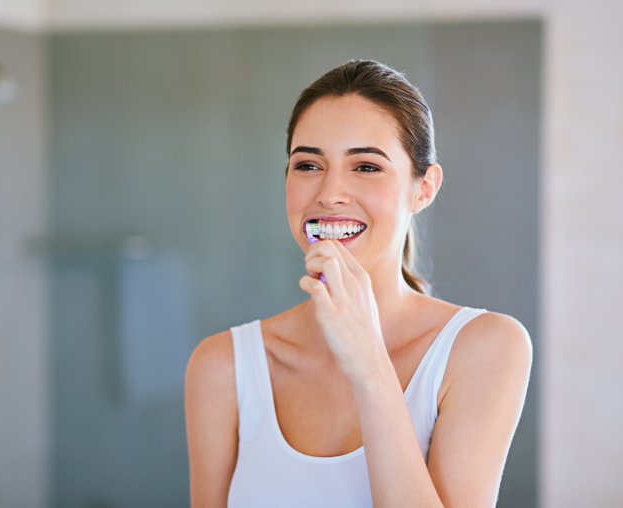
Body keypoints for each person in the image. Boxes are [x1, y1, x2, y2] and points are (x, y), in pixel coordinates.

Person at [184, 59, 532, 507]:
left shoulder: (484, 348)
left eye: (366, 167)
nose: (329, 194)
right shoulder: (221, 366)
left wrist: (367, 362)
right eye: (308, 165)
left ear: (423, 189)